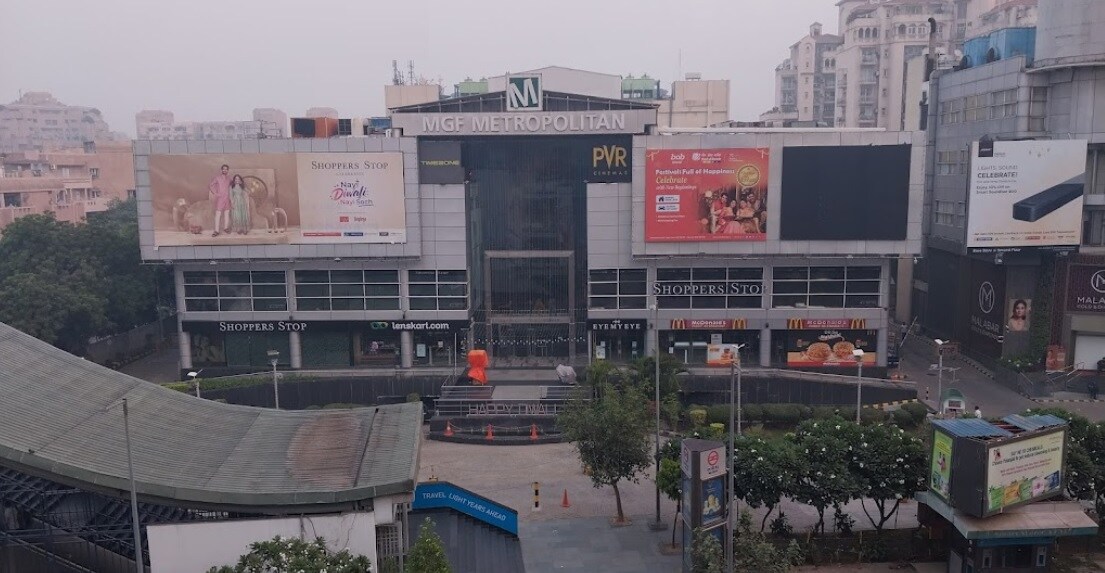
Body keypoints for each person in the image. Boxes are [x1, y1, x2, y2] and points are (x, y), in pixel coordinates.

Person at [208, 164, 232, 236]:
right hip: (220, 198)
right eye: (223, 169)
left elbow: (234, 185)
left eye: (226, 169)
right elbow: (211, 185)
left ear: (228, 170)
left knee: (227, 214)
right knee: (218, 214)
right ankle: (216, 230)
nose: (225, 170)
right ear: (221, 170)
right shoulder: (217, 178)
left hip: (227, 198)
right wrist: (216, 193)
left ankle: (226, 228)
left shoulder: (229, 179)